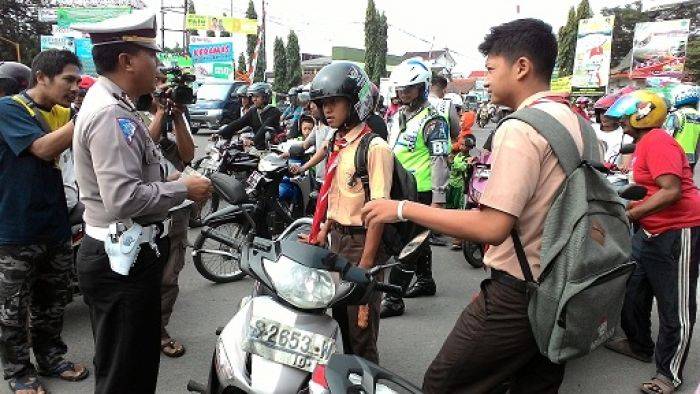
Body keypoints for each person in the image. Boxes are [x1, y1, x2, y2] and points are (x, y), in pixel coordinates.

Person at [362, 19, 574, 392]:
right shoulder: (574, 120)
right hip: (562, 285)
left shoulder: (520, 128)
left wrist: (400, 209)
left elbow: (492, 227)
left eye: (491, 69)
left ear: (521, 67)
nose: (486, 79)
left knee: (442, 382)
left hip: (519, 292)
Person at [70, 11, 212, 393]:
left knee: (127, 361)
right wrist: (184, 190)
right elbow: (122, 198)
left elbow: (141, 175)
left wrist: (175, 178)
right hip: (121, 257)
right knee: (125, 373)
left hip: (129, 252)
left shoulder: (118, 105)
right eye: (152, 55)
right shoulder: (109, 113)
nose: (158, 65)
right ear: (127, 60)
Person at [0, 49, 89, 394]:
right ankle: (19, 372)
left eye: (77, 81)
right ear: (41, 77)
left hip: (55, 226)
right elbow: (41, 149)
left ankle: (52, 358)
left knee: (52, 302)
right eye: (68, 79)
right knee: (13, 308)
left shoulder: (56, 112)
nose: (74, 87)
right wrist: (83, 118)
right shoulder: (8, 109)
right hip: (16, 230)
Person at [603, 89, 700, 394]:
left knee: (676, 306)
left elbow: (671, 191)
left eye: (625, 119)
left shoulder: (658, 141)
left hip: (678, 230)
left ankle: (668, 375)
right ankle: (639, 345)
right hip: (649, 231)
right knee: (633, 290)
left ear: (642, 114)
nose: (621, 124)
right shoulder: (644, 144)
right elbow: (648, 186)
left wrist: (630, 216)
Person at [302, 61, 393, 364]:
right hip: (338, 242)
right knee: (339, 317)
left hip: (362, 243)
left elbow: (379, 211)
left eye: (334, 102)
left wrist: (366, 265)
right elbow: (336, 196)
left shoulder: (374, 147)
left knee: (361, 329)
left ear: (356, 102)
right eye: (323, 103)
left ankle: (367, 379)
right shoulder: (337, 142)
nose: (326, 110)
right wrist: (324, 230)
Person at [380, 57, 450, 318]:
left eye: (409, 88)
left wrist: (438, 198)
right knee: (415, 238)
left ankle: (394, 297)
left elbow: (439, 158)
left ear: (422, 87)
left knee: (409, 244)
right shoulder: (398, 115)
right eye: (400, 89)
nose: (403, 93)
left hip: (422, 190)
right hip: (400, 186)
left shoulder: (434, 121)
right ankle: (425, 280)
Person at [143, 70, 196, 359]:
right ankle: (138, 329)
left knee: (169, 277)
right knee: (140, 277)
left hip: (175, 211)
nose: (164, 92)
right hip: (144, 210)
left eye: (167, 87)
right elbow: (141, 150)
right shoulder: (133, 114)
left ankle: (159, 329)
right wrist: (161, 112)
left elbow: (187, 155)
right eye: (159, 86)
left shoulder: (175, 116)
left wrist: (177, 117)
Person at [217, 82, 281, 149]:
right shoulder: (253, 111)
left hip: (271, 149)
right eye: (253, 96)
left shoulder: (274, 111)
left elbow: (264, 127)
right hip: (257, 148)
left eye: (257, 96)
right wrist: (220, 133)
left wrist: (253, 141)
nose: (254, 99)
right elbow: (238, 123)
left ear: (265, 97)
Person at [663, 84, 700, 170]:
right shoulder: (699, 116)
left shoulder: (676, 115)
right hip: (692, 158)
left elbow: (666, 136)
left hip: (674, 156)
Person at [429, 74, 461, 141]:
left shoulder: (416, 104)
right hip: (441, 149)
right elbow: (456, 131)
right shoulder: (447, 105)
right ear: (444, 90)